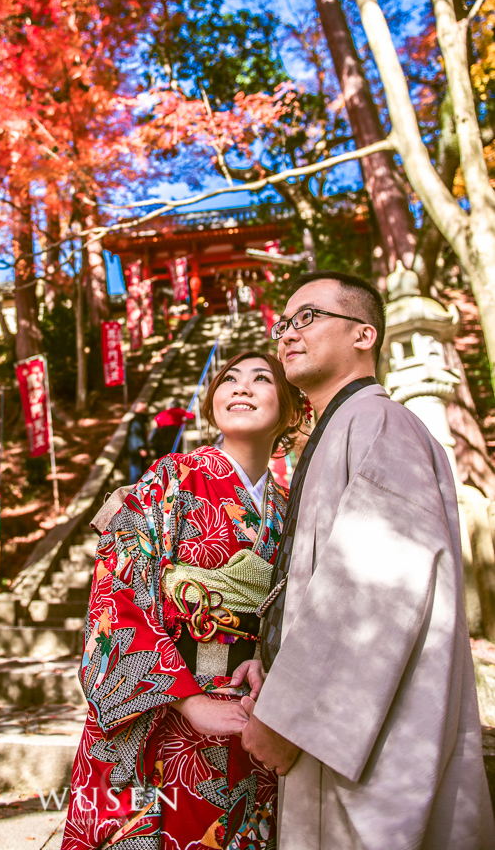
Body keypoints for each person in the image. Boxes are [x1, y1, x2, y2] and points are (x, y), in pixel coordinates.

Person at [238, 270, 494, 849]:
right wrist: (269, 656)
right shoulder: (341, 429)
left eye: (308, 317)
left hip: (365, 733)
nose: (288, 334)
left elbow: (377, 584)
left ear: (363, 335)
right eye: (284, 323)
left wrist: (287, 718)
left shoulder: (380, 421)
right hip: (338, 725)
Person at [62, 351, 304, 850]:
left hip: (255, 711)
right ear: (211, 403)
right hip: (169, 709)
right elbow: (118, 585)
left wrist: (272, 665)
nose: (241, 387)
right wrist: (189, 700)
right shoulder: (170, 478)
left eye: (261, 378)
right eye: (229, 379)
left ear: (289, 409)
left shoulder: (290, 509)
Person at [126, 400, 150, 484]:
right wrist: (141, 447)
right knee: (136, 472)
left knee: (141, 471)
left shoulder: (141, 420)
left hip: (136, 448)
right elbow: (136, 435)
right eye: (141, 408)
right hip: (135, 450)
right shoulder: (136, 421)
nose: (143, 410)